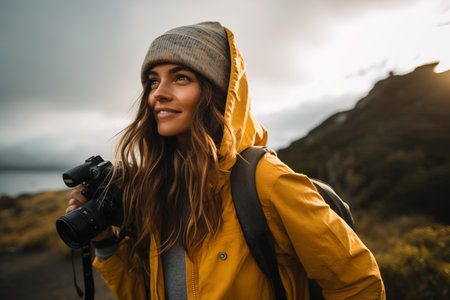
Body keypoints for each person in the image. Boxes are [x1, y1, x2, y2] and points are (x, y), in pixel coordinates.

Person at [66, 21, 386, 299]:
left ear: (215, 92)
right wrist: (105, 243)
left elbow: (357, 282)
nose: (158, 93)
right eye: (153, 80)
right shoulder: (161, 189)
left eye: (180, 78)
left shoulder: (266, 181)